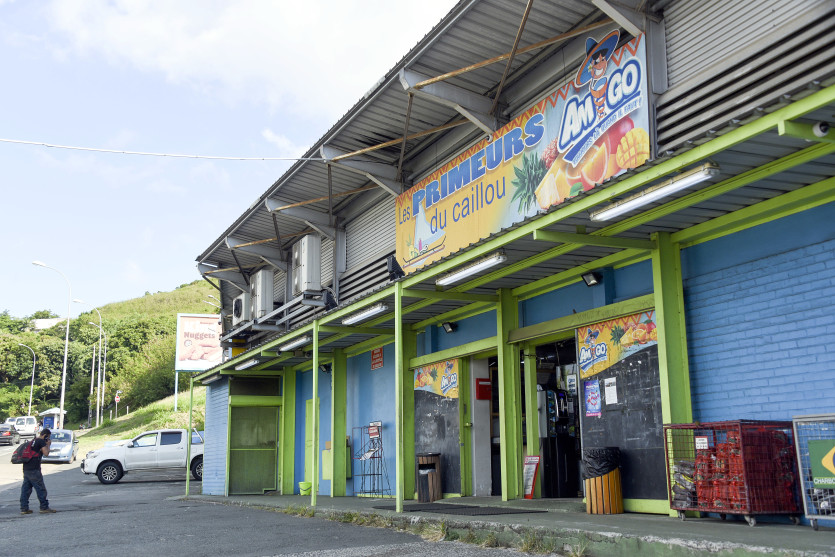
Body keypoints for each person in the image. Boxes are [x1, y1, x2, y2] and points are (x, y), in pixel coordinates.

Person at [20, 428, 56, 514]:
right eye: (48, 437)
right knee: (41, 489)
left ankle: (24, 508)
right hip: (34, 469)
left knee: (26, 490)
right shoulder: (41, 442)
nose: (48, 439)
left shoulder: (33, 441)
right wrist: (48, 445)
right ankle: (44, 507)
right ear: (45, 435)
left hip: (26, 468)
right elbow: (46, 453)